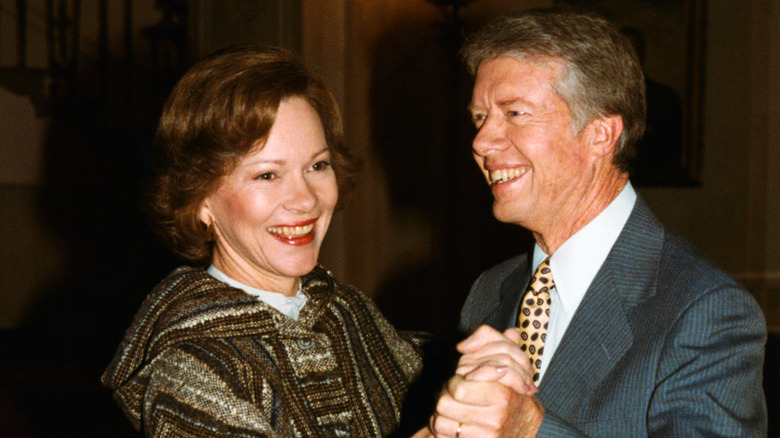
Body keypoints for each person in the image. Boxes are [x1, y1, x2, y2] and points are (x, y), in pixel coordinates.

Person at [423, 8, 767, 437]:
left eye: (514, 113)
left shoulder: (704, 310)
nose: (481, 141)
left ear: (601, 135)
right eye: (479, 117)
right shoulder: (491, 290)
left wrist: (531, 429)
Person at [101, 45, 423, 437]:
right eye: (268, 175)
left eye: (317, 166)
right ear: (200, 199)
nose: (305, 199)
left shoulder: (349, 314)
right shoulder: (194, 365)